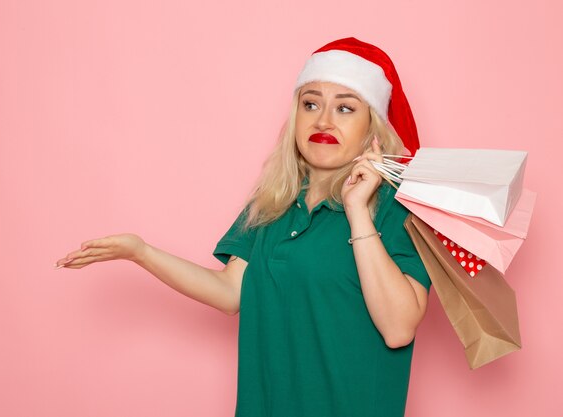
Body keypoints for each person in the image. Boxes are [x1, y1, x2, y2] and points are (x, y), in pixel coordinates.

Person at [54, 37, 432, 417]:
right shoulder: (273, 201)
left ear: (372, 127)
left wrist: (357, 210)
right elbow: (230, 291)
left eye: (345, 108)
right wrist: (140, 252)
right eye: (310, 103)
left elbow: (399, 328)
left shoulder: (395, 207)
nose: (323, 121)